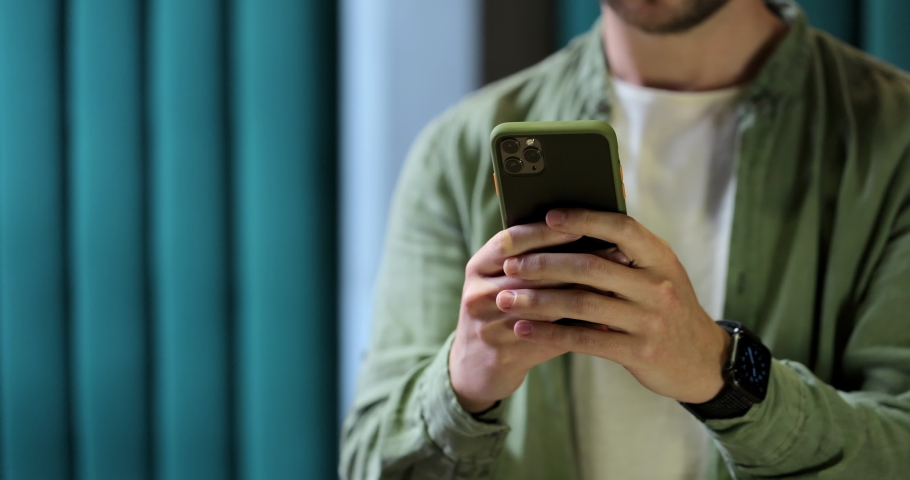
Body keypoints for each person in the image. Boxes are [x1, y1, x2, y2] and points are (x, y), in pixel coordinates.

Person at [340, 0, 910, 478]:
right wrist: (461, 385)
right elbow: (368, 459)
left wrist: (722, 375)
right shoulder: (457, 153)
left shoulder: (894, 143)